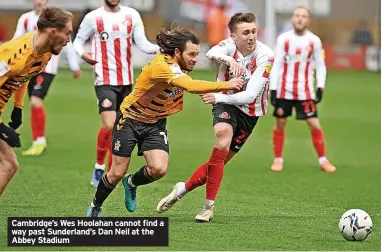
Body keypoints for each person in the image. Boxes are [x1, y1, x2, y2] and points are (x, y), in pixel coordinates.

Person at [86, 26, 244, 217]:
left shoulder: (178, 67)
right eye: (191, 54)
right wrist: (226, 85)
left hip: (155, 123)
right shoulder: (162, 66)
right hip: (130, 120)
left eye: (197, 54)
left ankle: (131, 183)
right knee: (115, 173)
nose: (195, 59)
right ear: (177, 52)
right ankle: (96, 205)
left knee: (159, 169)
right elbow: (189, 85)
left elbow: (188, 84)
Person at [156, 12, 274, 222]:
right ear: (233, 36)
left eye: (254, 31)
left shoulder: (266, 56)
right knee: (222, 140)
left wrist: (218, 96)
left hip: (249, 111)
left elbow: (250, 94)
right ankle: (208, 207)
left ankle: (181, 190)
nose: (251, 36)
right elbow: (211, 53)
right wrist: (228, 60)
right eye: (245, 32)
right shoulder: (228, 46)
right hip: (225, 102)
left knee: (216, 163)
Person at [73, 0, 160, 188]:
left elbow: (142, 43)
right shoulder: (93, 17)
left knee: (120, 126)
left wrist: (158, 49)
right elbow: (78, 41)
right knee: (109, 124)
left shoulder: (132, 15)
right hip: (104, 79)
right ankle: (98, 166)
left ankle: (113, 171)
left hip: (126, 81)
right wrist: (83, 54)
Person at [0, 6, 73, 195]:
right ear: (53, 33)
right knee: (8, 164)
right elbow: (18, 68)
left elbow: (23, 76)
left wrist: (18, 107)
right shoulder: (12, 54)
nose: (69, 40)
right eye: (68, 33)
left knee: (9, 164)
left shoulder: (45, 54)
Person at [268, 6, 336, 172]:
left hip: (305, 90)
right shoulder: (283, 39)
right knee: (280, 122)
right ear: (292, 18)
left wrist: (320, 86)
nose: (299, 19)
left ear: (308, 20)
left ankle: (323, 160)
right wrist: (273, 88)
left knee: (314, 123)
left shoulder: (314, 41)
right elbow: (276, 63)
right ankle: (278, 160)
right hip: (284, 89)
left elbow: (320, 65)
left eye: (303, 16)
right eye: (297, 15)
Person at [13, 0, 81, 156]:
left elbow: (67, 43)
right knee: (33, 102)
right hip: (28, 68)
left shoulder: (56, 21)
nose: (39, 2)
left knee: (36, 101)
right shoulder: (25, 19)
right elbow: (16, 40)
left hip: (46, 68)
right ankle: (37, 140)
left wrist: (74, 66)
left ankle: (40, 141)